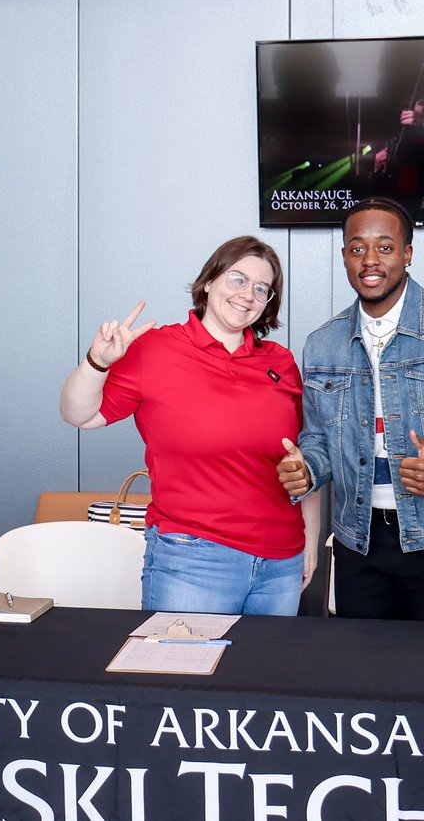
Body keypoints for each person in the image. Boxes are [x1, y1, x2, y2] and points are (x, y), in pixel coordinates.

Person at [59, 235, 319, 615]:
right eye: (237, 279)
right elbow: (78, 414)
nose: (247, 294)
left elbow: (303, 458)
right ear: (209, 281)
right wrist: (97, 362)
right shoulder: (155, 349)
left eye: (261, 288)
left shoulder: (279, 362)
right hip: (192, 559)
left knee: (264, 675)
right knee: (181, 674)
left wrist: (309, 540)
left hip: (280, 564)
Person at [277, 197, 424, 621]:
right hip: (358, 541)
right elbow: (317, 438)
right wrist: (307, 470)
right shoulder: (322, 343)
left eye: (385, 247)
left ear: (407, 254)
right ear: (344, 256)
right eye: (356, 247)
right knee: (366, 675)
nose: (370, 260)